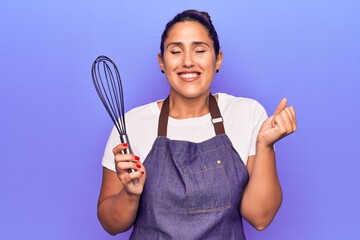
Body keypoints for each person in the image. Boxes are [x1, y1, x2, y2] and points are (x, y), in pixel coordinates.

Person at [97, 9, 297, 239]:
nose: (188, 61)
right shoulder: (131, 125)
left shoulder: (247, 114)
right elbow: (111, 224)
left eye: (200, 50)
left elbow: (260, 218)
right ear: (161, 61)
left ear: (218, 59)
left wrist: (265, 145)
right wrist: (130, 195)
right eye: (175, 51)